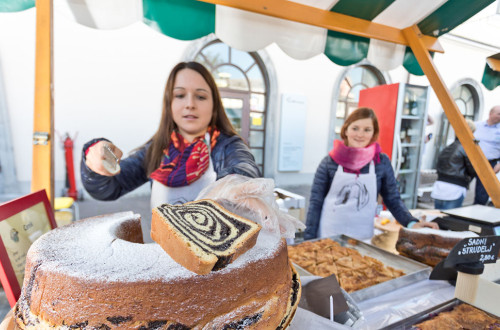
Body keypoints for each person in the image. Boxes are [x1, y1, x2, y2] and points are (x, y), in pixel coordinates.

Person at [81, 61, 261, 242]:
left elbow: (244, 169)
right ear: (169, 103)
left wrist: (238, 184)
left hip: (216, 263)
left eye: (200, 97)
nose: (190, 104)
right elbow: (107, 188)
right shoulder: (157, 149)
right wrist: (98, 158)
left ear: (214, 105)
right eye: (180, 95)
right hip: (165, 259)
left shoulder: (228, 145)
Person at [304, 107, 438, 241]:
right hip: (329, 234)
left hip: (362, 238)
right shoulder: (329, 162)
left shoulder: (381, 162)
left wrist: (411, 222)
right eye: (355, 128)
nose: (360, 134)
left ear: (373, 133)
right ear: (346, 130)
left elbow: (392, 199)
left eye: (367, 130)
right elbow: (316, 203)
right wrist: (309, 240)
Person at [431, 119, 476, 210]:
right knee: (449, 221)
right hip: (455, 188)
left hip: (440, 186)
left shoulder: (449, 146)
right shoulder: (466, 148)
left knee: (436, 219)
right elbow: (472, 169)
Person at [473, 105, 500, 205]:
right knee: (460, 186)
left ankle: (476, 215)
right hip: (471, 161)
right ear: (490, 113)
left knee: (482, 192)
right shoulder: (476, 126)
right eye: (499, 114)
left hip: (489, 163)